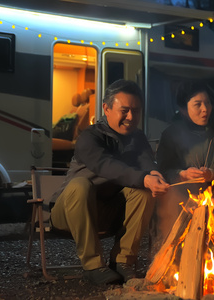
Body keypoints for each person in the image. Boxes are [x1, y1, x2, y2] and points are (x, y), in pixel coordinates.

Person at [50, 79, 170, 285]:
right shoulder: (90, 138)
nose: (131, 117)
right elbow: (106, 165)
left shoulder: (137, 138)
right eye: (124, 110)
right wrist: (143, 177)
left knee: (143, 191)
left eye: (136, 111)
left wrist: (155, 176)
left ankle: (122, 262)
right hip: (70, 212)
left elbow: (147, 163)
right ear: (106, 108)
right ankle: (93, 266)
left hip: (108, 214)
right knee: (81, 185)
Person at [156, 81, 214, 240]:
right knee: (170, 195)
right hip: (182, 188)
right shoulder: (171, 134)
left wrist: (212, 173)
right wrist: (182, 174)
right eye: (197, 104)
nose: (205, 109)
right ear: (183, 109)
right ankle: (172, 252)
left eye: (207, 103)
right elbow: (164, 167)